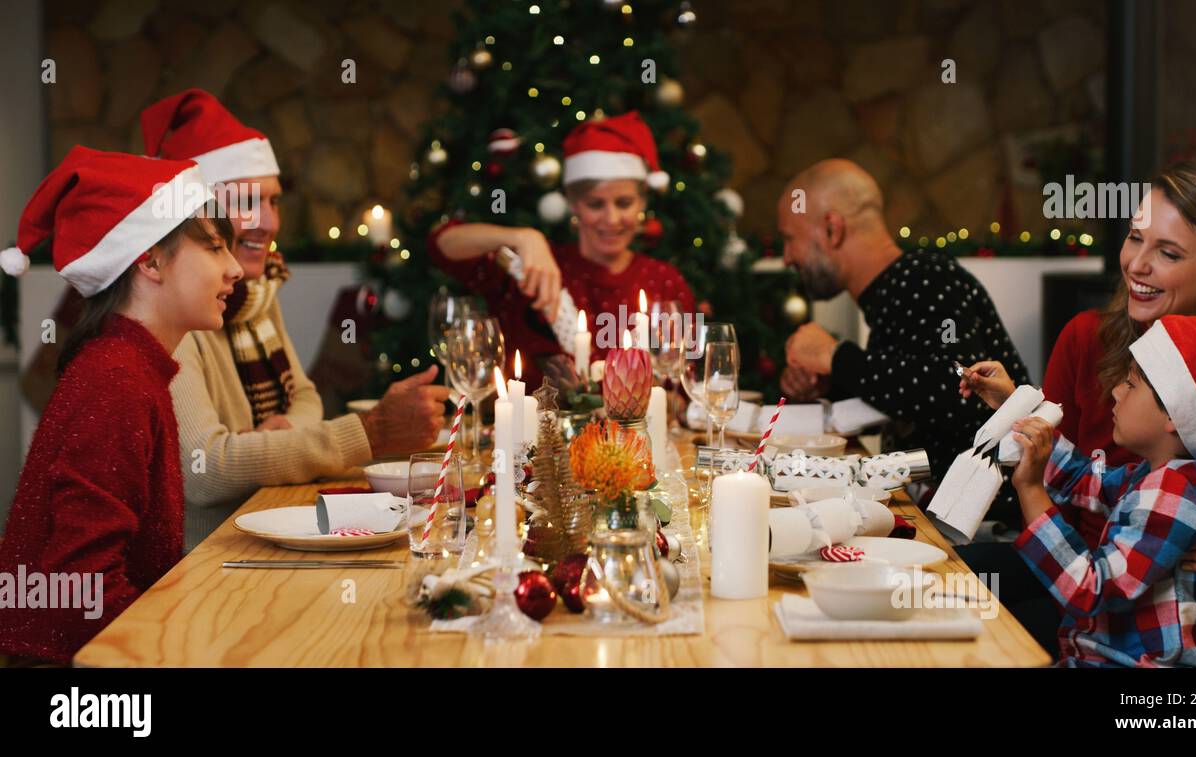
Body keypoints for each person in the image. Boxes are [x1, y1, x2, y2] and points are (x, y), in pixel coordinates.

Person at [960, 158, 1196, 654]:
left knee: (974, 637)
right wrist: (1015, 409)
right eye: (1136, 238)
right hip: (1071, 566)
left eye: (1168, 252)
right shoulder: (1085, 337)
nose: (1137, 265)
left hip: (1142, 619)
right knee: (941, 579)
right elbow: (1074, 472)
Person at [140, 89, 449, 550]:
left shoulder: (257, 293)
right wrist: (367, 433)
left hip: (265, 524)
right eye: (247, 202)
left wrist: (277, 436)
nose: (268, 222)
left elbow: (305, 398)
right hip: (204, 557)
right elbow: (208, 471)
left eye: (275, 201)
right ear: (196, 214)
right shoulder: (171, 309)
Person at [0, 147, 241, 664]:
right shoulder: (115, 382)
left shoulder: (134, 367)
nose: (235, 268)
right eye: (217, 248)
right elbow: (79, 585)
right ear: (149, 260)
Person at [1010, 309, 1196, 666]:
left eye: (1130, 383)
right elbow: (1079, 477)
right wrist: (1014, 411)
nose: (1115, 391)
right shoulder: (1162, 476)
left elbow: (1088, 591)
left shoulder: (1178, 494)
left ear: (1175, 416)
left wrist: (1030, 491)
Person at [778, 158, 1030, 507]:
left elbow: (958, 389)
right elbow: (905, 391)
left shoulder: (933, 279)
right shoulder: (898, 289)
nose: (786, 257)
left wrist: (835, 357)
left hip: (980, 528)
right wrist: (829, 382)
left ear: (832, 229)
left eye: (790, 239)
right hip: (935, 511)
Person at [428, 111, 696, 387]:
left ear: (642, 203)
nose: (612, 219)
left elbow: (687, 382)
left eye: (624, 203)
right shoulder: (534, 267)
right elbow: (442, 245)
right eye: (595, 204)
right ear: (573, 204)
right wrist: (525, 238)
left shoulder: (665, 282)